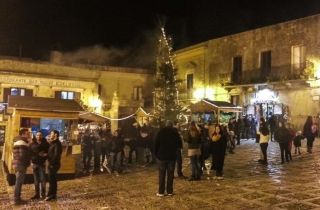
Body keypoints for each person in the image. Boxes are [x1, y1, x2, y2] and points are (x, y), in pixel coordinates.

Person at [154, 120, 182, 197]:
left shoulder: (160, 132)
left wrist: (156, 154)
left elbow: (156, 144)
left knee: (162, 174)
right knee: (170, 174)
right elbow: (180, 144)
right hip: (172, 157)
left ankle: (161, 192)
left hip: (162, 157)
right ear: (172, 125)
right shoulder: (175, 133)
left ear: (165, 125)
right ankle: (170, 191)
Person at [13, 128, 31, 205]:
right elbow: (23, 156)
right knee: (19, 182)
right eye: (27, 133)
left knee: (18, 181)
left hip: (17, 163)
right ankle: (17, 200)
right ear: (23, 134)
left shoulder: (17, 141)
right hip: (21, 164)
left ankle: (17, 198)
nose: (29, 135)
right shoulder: (22, 143)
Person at [30, 131, 49, 199]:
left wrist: (45, 156)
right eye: (37, 135)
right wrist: (31, 162)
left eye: (40, 135)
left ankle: (43, 194)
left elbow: (48, 153)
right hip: (34, 164)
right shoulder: (32, 144)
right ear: (35, 136)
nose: (38, 136)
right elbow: (30, 154)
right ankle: (37, 194)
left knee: (43, 179)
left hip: (42, 164)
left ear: (42, 136)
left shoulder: (46, 144)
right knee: (36, 180)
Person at [45, 130, 62, 201]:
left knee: (52, 180)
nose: (50, 134)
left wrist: (52, 164)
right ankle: (53, 195)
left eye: (51, 133)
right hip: (52, 164)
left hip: (53, 164)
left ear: (55, 135)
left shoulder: (57, 144)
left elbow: (56, 155)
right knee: (53, 180)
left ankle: (50, 195)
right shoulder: (53, 143)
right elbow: (51, 153)